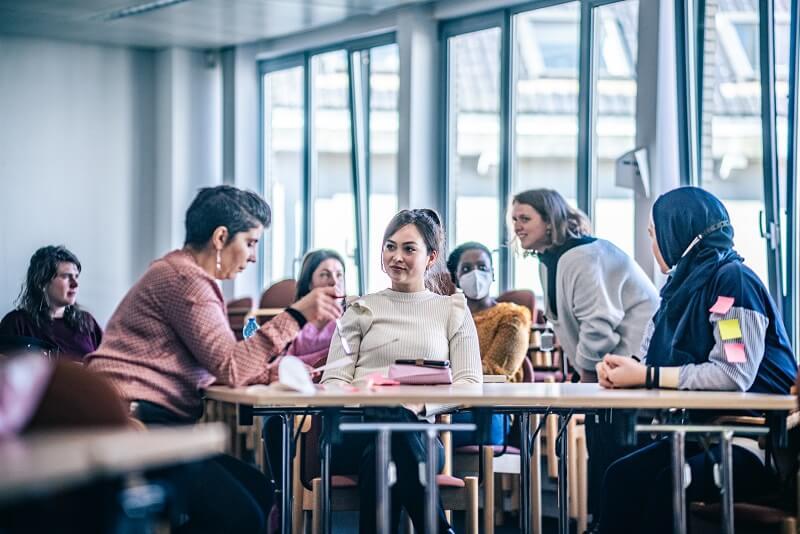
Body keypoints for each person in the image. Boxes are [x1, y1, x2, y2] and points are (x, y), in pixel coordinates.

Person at [86, 185, 342, 533]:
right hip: (136, 426)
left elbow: (217, 361)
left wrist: (273, 373)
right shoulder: (185, 280)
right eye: (251, 243)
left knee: (259, 491)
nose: (253, 256)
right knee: (240, 515)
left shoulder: (183, 275)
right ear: (221, 237)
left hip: (149, 424)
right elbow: (231, 367)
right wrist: (296, 316)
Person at [595, 187, 797, 534]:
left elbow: (733, 373)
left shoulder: (733, 284)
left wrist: (646, 376)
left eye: (654, 235)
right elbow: (646, 359)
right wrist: (621, 369)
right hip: (703, 433)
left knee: (663, 486)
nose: (652, 246)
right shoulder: (678, 290)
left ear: (679, 233)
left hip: (754, 441)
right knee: (622, 475)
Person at [321, 208, 482, 534]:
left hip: (418, 432)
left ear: (430, 256)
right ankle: (436, 527)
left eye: (409, 249)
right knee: (385, 429)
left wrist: (421, 406)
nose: (396, 256)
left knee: (384, 453)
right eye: (390, 246)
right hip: (355, 429)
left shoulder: (452, 309)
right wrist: (366, 395)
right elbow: (333, 379)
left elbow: (470, 383)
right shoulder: (359, 308)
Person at [510, 188, 660, 520]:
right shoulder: (550, 259)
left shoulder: (583, 256)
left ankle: (613, 524)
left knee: (616, 456)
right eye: (514, 219)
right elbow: (566, 322)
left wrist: (589, 377)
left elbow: (598, 324)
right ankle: (603, 522)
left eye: (525, 218)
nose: (517, 226)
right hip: (608, 371)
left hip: (632, 366)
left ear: (549, 222)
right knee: (602, 452)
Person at [446, 241, 531, 446]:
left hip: (491, 411)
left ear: (492, 274)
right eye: (466, 269)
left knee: (418, 433)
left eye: (482, 267)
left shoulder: (512, 316)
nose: (475, 274)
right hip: (444, 406)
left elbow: (496, 373)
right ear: (455, 277)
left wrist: (442, 373)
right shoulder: (446, 315)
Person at [0, 246, 103, 362]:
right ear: (41, 282)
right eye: (65, 276)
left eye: (76, 277)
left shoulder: (87, 323)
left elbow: (108, 364)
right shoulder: (16, 323)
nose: (75, 284)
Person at [285, 249, 347, 370]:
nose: (334, 282)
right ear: (309, 283)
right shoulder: (292, 323)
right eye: (324, 274)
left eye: (339, 275)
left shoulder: (352, 319)